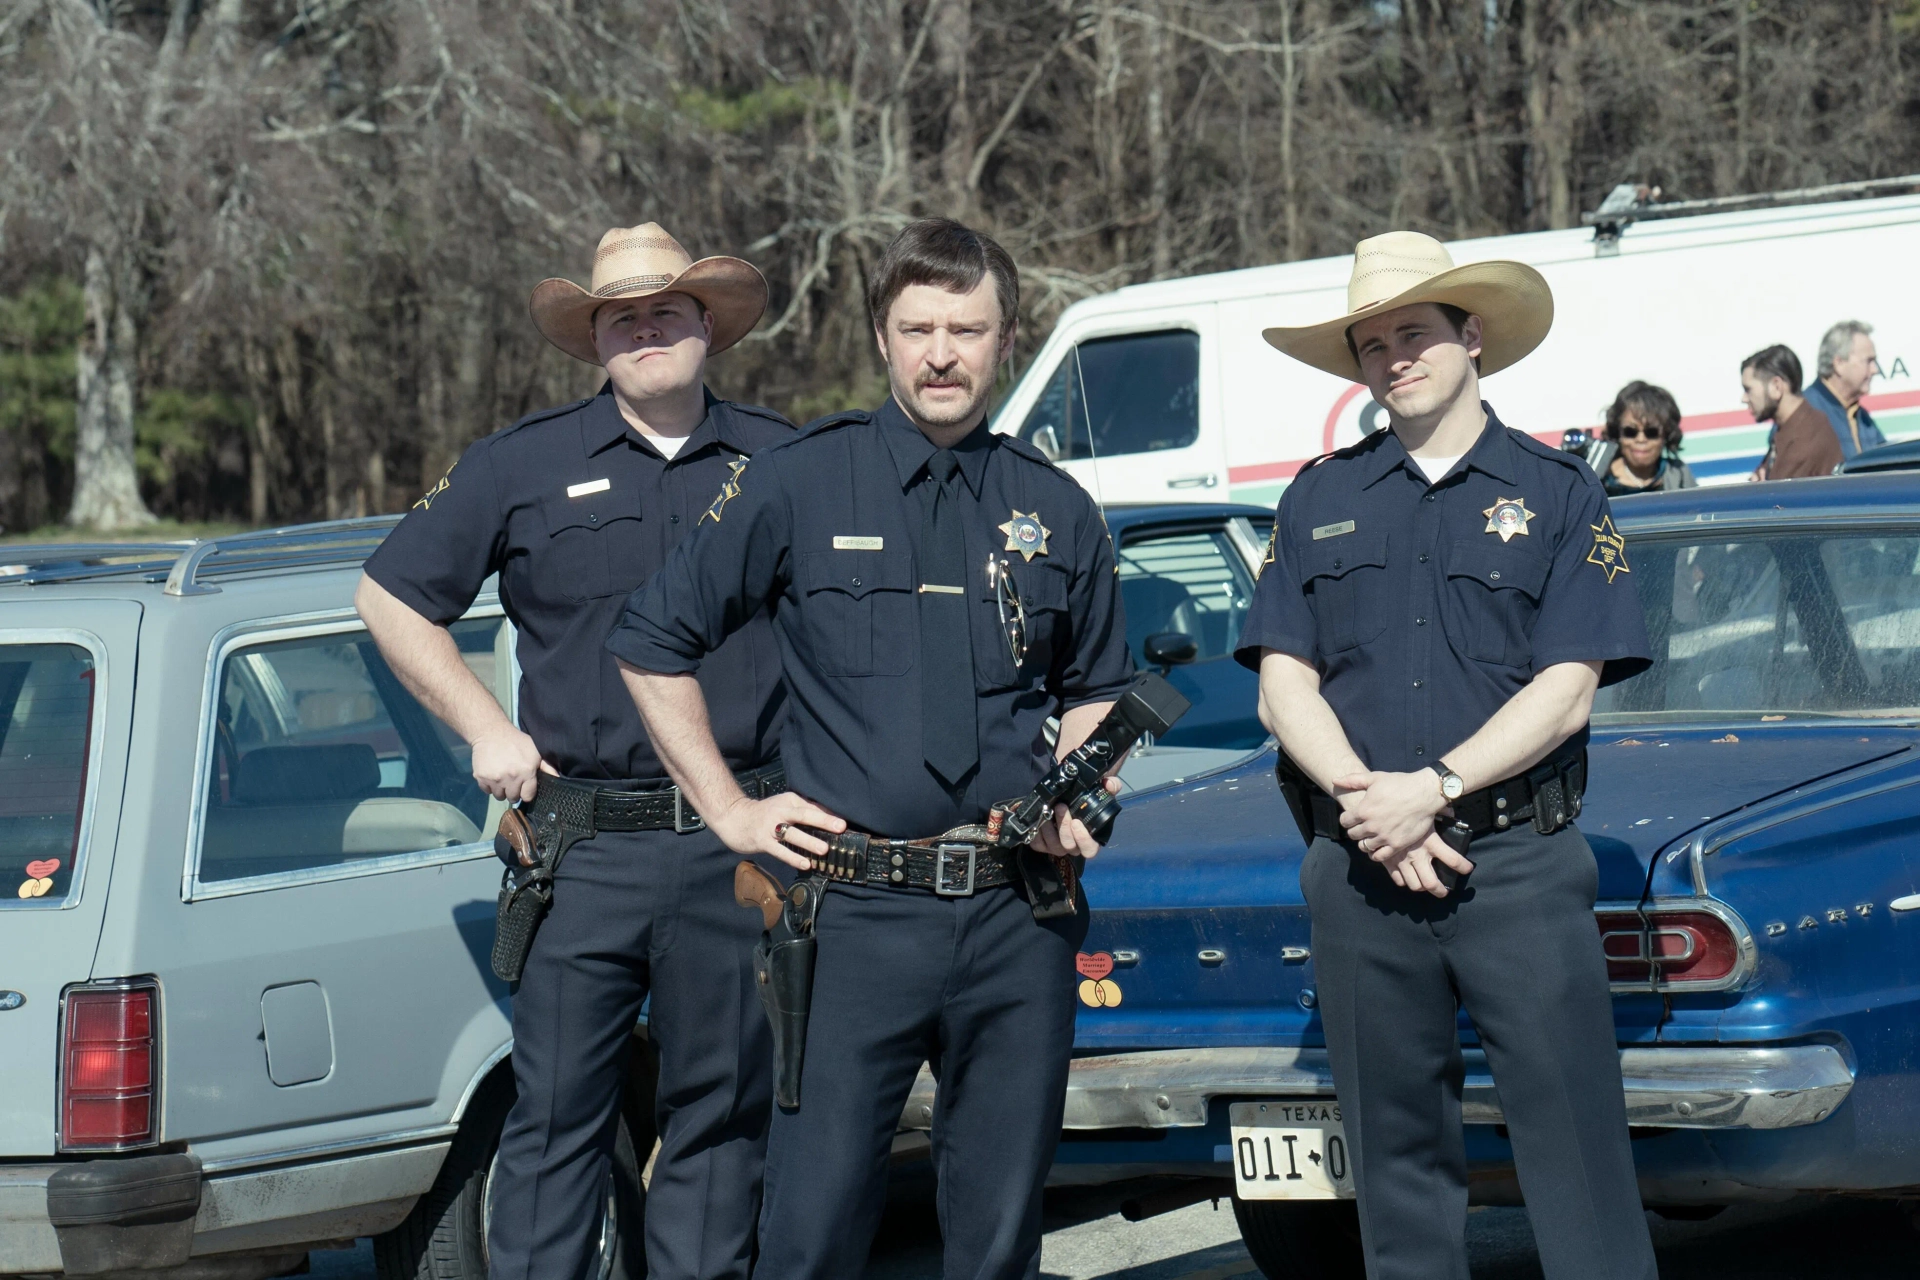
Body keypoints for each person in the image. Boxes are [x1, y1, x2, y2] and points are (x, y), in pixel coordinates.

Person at [606, 218, 1134, 1279]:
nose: (943, 351)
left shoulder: (1055, 506)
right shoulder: (801, 480)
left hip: (1016, 905)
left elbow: (1100, 685)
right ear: (882, 339)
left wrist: (1085, 786)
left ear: (1006, 339)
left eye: (968, 328)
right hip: (854, 911)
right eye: (918, 327)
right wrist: (732, 811)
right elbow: (650, 642)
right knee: (812, 1225)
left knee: (998, 1232)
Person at [353, 223, 794, 1280]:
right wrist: (485, 728)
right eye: (622, 316)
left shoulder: (787, 461)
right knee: (554, 1121)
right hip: (581, 846)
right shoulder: (521, 463)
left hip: (736, 846)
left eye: (667, 310)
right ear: (596, 338)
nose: (647, 329)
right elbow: (388, 593)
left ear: (708, 326)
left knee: (721, 1119)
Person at [1238, 231, 1656, 1280]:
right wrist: (1367, 802)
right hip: (1362, 868)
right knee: (1397, 1172)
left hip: (1515, 864)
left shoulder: (1560, 493)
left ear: (1472, 338)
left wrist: (1434, 788)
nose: (1393, 356)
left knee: (1578, 1160)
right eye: (1372, 342)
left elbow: (1566, 690)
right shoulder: (1318, 498)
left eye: (1414, 332)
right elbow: (1283, 681)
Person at [1740, 343, 1841, 480]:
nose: (1744, 398)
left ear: (1776, 386)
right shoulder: (1789, 429)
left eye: (1748, 389)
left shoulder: (1805, 438)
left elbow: (1775, 499)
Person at [1583, 380, 1695, 495]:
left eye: (1651, 432)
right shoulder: (1596, 478)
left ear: (1666, 435)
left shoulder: (1680, 475)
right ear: (1618, 433)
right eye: (1630, 431)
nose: (1641, 439)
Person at [1805, 319, 1884, 461]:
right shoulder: (1804, 412)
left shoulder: (1862, 417)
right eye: (1868, 361)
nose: (1875, 370)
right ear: (1839, 363)